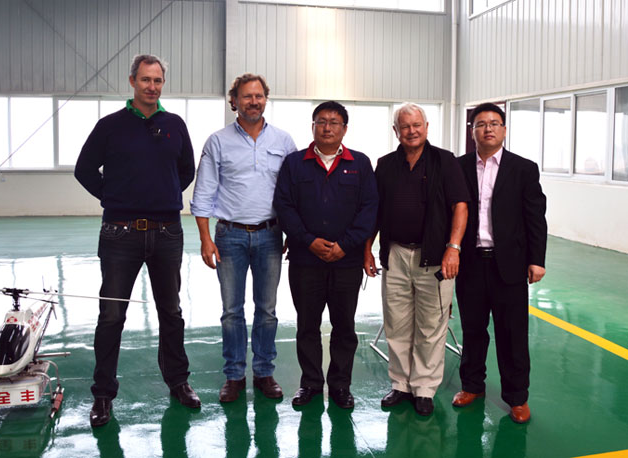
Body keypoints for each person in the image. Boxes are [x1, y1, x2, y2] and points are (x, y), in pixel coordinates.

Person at [74, 54, 199, 428]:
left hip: (167, 232)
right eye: (145, 80)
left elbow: (186, 171)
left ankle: (178, 382)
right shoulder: (110, 126)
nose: (152, 87)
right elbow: (84, 169)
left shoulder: (175, 125)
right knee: (112, 314)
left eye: (157, 80)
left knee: (171, 312)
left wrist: (162, 197)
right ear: (132, 82)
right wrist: (114, 198)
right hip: (120, 233)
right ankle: (103, 394)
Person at [190, 73, 297, 403]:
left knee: (267, 310)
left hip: (270, 235)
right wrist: (206, 239)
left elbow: (295, 192)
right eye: (247, 96)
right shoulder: (218, 142)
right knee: (232, 312)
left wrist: (293, 231)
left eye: (259, 96)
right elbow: (203, 192)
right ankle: (234, 375)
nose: (253, 101)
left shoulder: (283, 141)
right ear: (233, 101)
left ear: (266, 99)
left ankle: (264, 372)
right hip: (229, 236)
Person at [363, 102, 469, 416]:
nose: (411, 131)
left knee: (431, 325)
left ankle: (424, 388)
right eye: (405, 126)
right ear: (396, 131)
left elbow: (460, 206)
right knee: (396, 323)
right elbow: (374, 212)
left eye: (416, 125)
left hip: (434, 256)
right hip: (395, 254)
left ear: (426, 127)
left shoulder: (445, 161)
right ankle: (400, 384)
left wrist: (453, 248)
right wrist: (367, 249)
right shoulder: (385, 165)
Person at [274, 101, 378, 409]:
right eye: (321, 121)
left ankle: (341, 386)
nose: (327, 127)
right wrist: (308, 241)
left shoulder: (360, 163)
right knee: (307, 325)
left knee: (344, 326)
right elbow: (284, 206)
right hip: (305, 260)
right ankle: (310, 384)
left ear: (344, 129)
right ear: (313, 126)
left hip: (347, 262)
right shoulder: (295, 163)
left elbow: (369, 208)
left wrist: (345, 245)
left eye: (334, 122)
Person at [452, 102, 547, 424]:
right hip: (471, 263)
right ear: (473, 132)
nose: (488, 129)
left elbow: (535, 218)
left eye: (494, 123)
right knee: (473, 330)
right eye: (481, 124)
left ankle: (517, 397)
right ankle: (471, 385)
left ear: (504, 130)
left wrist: (537, 260)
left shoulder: (523, 169)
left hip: (509, 264)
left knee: (512, 334)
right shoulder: (459, 167)